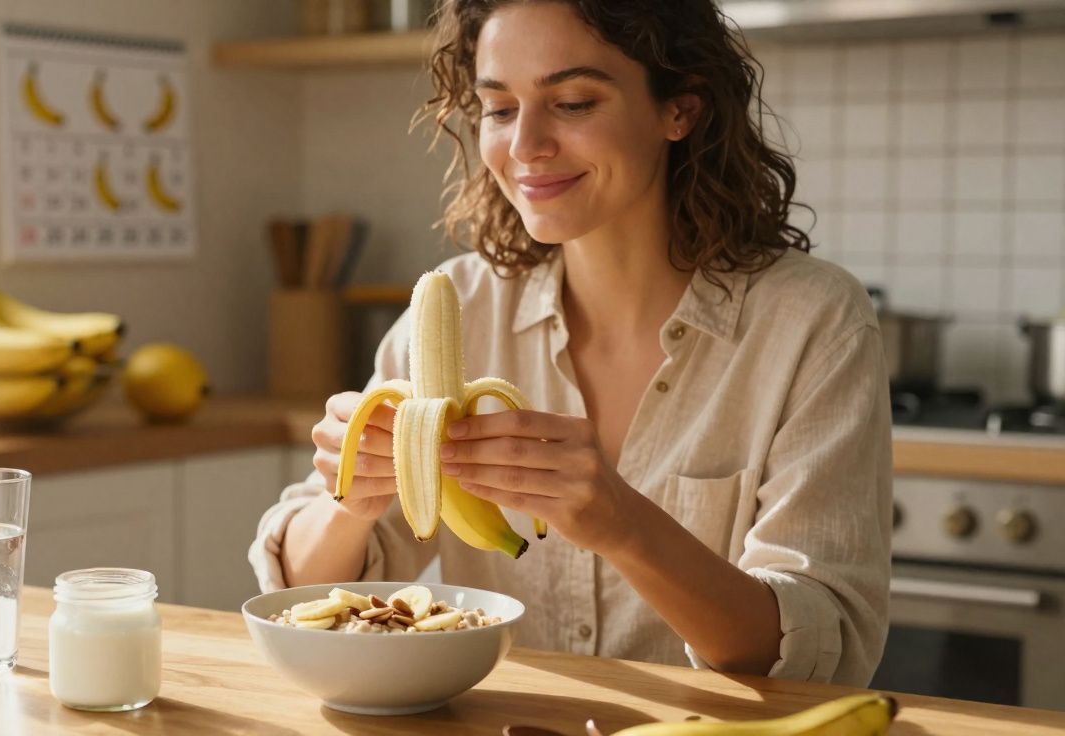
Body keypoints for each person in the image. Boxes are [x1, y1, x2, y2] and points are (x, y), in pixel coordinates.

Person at [249, 0, 890, 686]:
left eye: (574, 101)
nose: (525, 144)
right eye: (498, 109)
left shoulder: (812, 321)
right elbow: (307, 593)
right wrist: (351, 500)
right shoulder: (460, 305)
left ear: (681, 109)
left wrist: (624, 525)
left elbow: (817, 652)